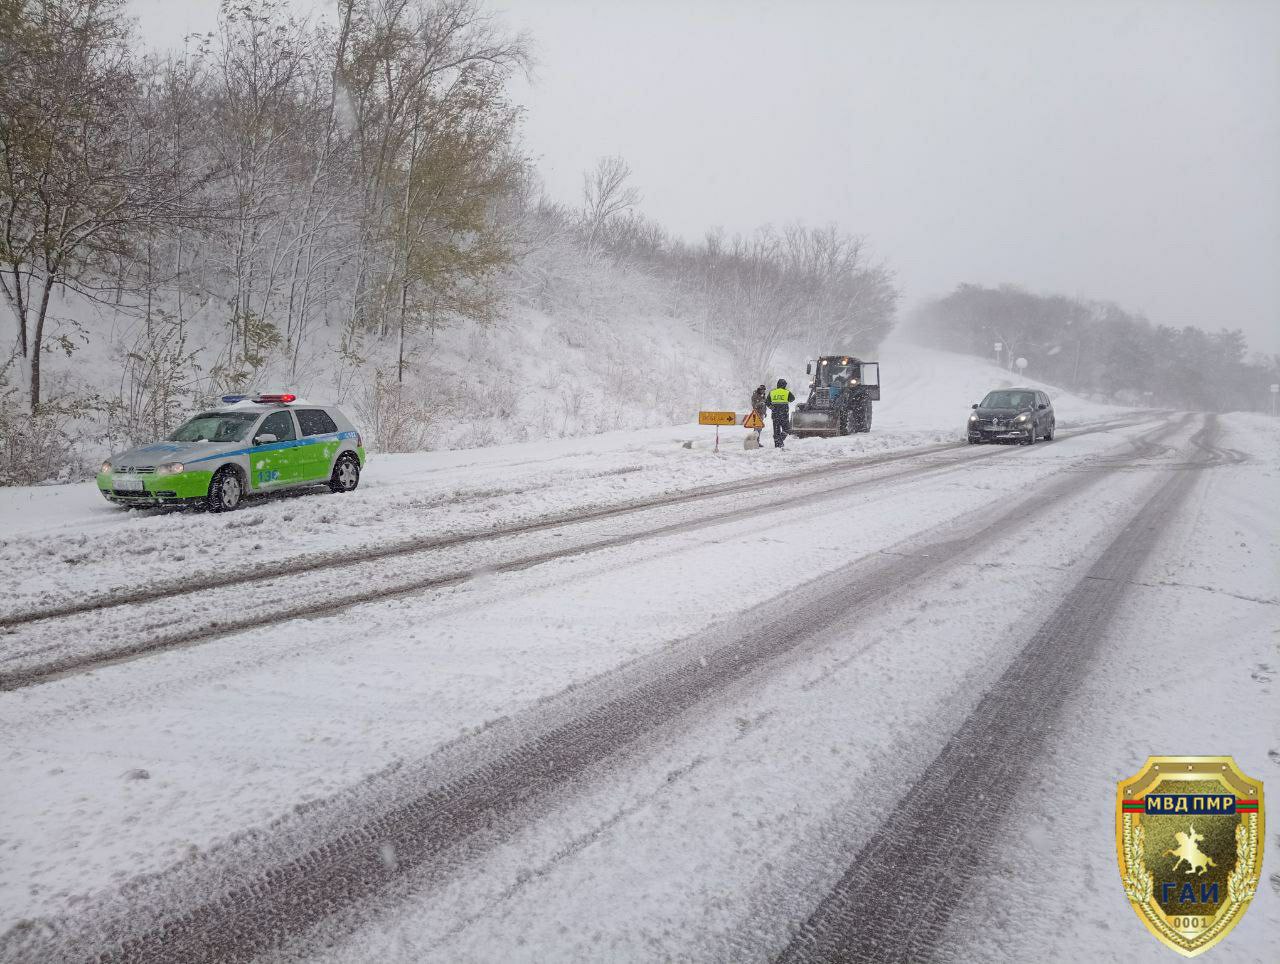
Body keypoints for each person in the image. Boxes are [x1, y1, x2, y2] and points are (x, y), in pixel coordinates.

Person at [769, 378, 795, 448]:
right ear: (784, 385)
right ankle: (780, 441)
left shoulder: (772, 392)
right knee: (786, 429)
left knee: (776, 431)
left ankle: (777, 444)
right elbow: (792, 399)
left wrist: (771, 407)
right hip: (784, 415)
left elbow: (767, 402)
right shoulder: (787, 392)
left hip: (775, 415)